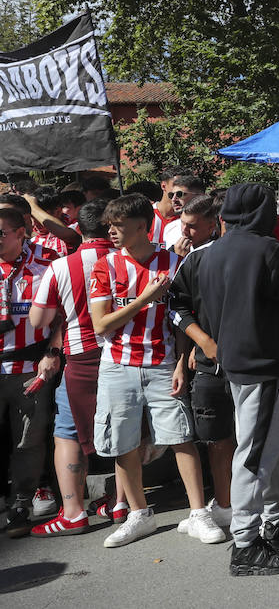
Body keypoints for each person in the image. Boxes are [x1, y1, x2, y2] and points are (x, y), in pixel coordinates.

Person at [169, 182, 279, 574]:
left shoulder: (206, 255)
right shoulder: (265, 249)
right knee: (255, 454)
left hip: (235, 363)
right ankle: (248, 543)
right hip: (261, 364)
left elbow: (175, 303)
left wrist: (202, 339)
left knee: (268, 447)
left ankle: (275, 519)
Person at [88, 193, 220, 548]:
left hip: (162, 363)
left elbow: (182, 318)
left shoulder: (172, 261)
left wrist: (181, 362)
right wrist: (144, 299)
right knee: (123, 441)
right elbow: (101, 325)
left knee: (180, 436)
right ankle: (138, 515)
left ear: (143, 227)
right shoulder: (104, 266)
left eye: (119, 225)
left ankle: (197, 514)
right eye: (110, 225)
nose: (112, 231)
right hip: (117, 364)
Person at [28, 199, 125, 536]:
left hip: (81, 355)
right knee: (124, 426)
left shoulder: (61, 266)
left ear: (79, 229)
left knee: (67, 432)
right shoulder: (127, 259)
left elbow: (37, 320)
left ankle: (72, 512)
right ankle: (121, 501)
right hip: (124, 352)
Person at [166, 194, 235, 536]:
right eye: (182, 225)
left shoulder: (246, 253)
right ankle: (223, 506)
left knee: (250, 438)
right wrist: (200, 342)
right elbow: (176, 309)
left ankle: (254, 505)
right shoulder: (191, 262)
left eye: (192, 226)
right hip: (208, 366)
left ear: (214, 223)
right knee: (217, 440)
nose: (185, 232)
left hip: (249, 366)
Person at [0, 205, 60, 538]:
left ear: (20, 232)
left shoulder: (47, 264)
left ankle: (21, 504)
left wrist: (53, 351)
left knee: (28, 441)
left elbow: (65, 314)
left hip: (30, 367)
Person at [160, 173, 207, 249]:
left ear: (199, 196)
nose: (174, 199)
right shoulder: (170, 228)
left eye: (179, 194)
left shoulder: (214, 227)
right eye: (172, 195)